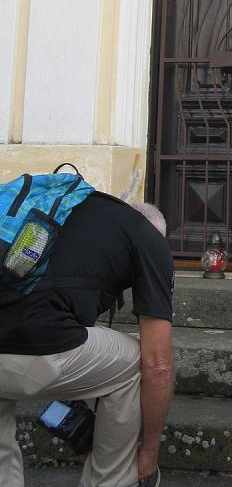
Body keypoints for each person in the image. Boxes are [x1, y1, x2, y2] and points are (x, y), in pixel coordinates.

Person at [0, 191, 174, 487]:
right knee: (137, 361)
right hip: (35, 343)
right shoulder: (148, 237)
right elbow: (158, 364)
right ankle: (113, 478)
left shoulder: (76, 209)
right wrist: (148, 450)